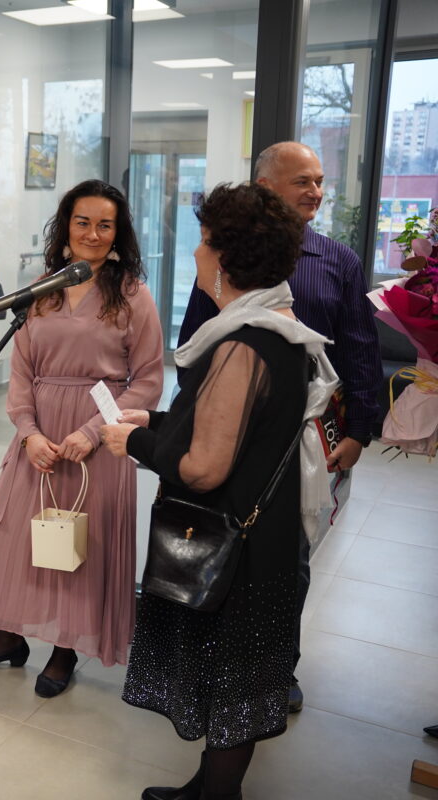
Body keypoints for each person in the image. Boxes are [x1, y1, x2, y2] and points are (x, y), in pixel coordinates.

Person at [101, 182, 331, 800]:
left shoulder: (242, 344)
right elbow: (236, 426)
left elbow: (204, 467)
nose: (197, 254)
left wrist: (135, 442)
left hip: (239, 551)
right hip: (266, 537)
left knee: (232, 686)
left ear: (224, 258)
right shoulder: (277, 327)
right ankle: (207, 785)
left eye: (204, 242)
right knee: (236, 683)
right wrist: (160, 422)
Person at [177, 141, 382, 713]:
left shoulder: (337, 260)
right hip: (228, 435)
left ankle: (275, 668)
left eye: (320, 181)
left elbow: (360, 348)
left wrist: (361, 430)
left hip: (302, 441)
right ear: (266, 187)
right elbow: (196, 342)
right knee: (222, 547)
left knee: (286, 561)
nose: (316, 191)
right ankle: (214, 661)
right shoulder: (225, 257)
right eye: (303, 181)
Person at [0, 180, 164, 697]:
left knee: (79, 548)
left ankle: (65, 648)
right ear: (65, 227)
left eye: (105, 225)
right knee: (16, 540)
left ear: (118, 232)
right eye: (82, 222)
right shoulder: (41, 290)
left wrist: (93, 433)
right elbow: (21, 370)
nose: (92, 233)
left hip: (100, 438)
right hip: (40, 437)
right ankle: (9, 637)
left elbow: (147, 380)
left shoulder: (133, 295)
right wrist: (28, 433)